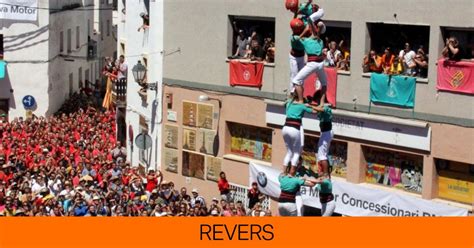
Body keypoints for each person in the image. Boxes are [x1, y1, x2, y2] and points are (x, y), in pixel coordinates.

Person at [282, 90, 321, 176]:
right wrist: (310, 105)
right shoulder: (302, 106)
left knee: (289, 152)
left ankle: (283, 172)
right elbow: (315, 112)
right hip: (294, 129)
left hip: (285, 128)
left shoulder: (289, 103)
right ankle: (291, 173)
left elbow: (288, 100)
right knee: (296, 152)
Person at [291, 20, 327, 104]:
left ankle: (300, 100)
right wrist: (314, 26)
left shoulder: (305, 40)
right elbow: (316, 35)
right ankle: (321, 103)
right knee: (324, 83)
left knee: (296, 81)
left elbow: (296, 38)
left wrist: (306, 29)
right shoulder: (320, 41)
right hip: (321, 63)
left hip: (312, 63)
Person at [312, 90, 334, 179]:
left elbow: (321, 109)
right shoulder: (321, 108)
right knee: (322, 153)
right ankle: (324, 171)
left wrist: (310, 105)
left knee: (322, 155)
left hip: (326, 132)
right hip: (324, 132)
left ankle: (325, 173)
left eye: (317, 100)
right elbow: (316, 111)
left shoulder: (326, 107)